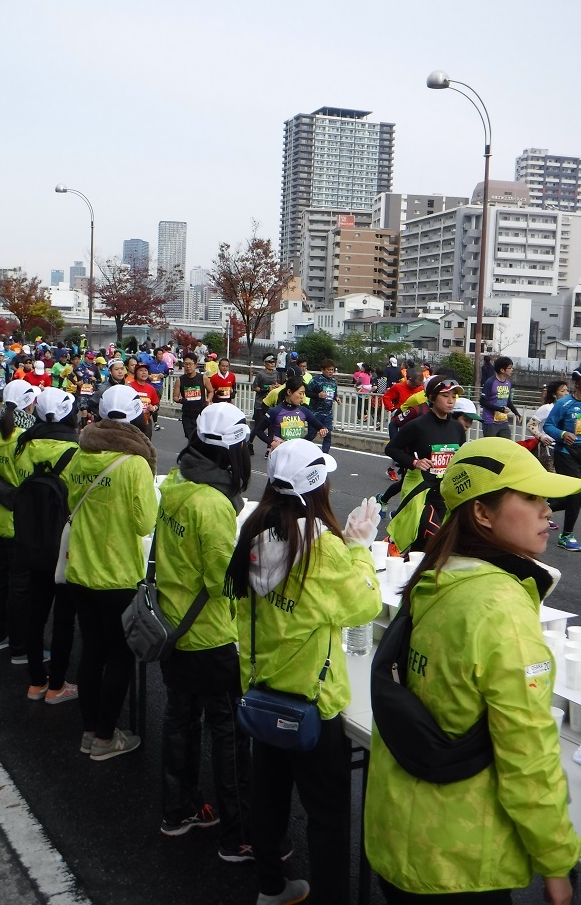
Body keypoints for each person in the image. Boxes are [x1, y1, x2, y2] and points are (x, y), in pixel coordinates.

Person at [365, 437, 581, 904]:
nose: (549, 511)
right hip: (458, 861)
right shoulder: (501, 608)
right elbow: (527, 752)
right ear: (482, 513)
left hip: (396, 833)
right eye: (530, 497)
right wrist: (556, 861)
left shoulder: (437, 575)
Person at [225, 439, 382, 905]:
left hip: (262, 692)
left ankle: (270, 887)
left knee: (270, 799)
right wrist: (359, 549)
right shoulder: (322, 548)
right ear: (319, 487)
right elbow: (365, 604)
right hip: (313, 704)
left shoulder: (254, 532)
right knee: (328, 815)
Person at [156, 403, 253, 862]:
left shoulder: (177, 483)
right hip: (211, 638)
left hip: (173, 629)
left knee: (180, 722)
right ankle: (238, 836)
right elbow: (224, 582)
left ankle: (179, 810)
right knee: (228, 734)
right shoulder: (212, 504)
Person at [62, 386, 156, 760]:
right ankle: (105, 738)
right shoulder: (134, 464)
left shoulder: (80, 456)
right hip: (119, 575)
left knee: (92, 653)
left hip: (80, 570)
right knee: (119, 656)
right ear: (135, 416)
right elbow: (144, 523)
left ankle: (90, 732)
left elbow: (71, 503)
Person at [14, 388, 80, 703]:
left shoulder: (23, 445)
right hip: (64, 545)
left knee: (35, 611)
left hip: (29, 540)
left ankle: (35, 681)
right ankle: (57, 686)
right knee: (64, 617)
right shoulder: (77, 452)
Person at [0, 380, 39, 660]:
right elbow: (30, 481)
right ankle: (20, 648)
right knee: (21, 587)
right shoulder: (25, 440)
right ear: (29, 404)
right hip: (21, 523)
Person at [385, 376, 466, 554]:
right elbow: (391, 448)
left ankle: (408, 571)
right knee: (434, 537)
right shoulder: (418, 425)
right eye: (445, 396)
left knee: (425, 545)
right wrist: (414, 462)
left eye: (454, 396)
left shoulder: (457, 428)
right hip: (420, 491)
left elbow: (458, 458)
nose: (451, 400)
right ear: (432, 397)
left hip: (443, 493)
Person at [544, 370, 581, 551]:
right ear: (577, 382)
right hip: (566, 452)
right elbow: (548, 425)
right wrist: (563, 433)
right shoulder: (564, 403)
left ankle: (545, 507)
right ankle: (566, 536)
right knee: (576, 492)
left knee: (576, 498)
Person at [256, 376, 327, 456]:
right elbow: (258, 431)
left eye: (303, 393)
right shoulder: (276, 411)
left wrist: (322, 430)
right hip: (279, 454)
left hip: (296, 454)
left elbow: (320, 427)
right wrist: (272, 443)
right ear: (289, 392)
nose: (302, 397)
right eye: (300, 393)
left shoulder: (304, 411)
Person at [527, 379, 568, 473]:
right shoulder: (546, 408)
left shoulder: (570, 408)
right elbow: (531, 425)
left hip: (564, 448)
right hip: (548, 448)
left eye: (567, 390)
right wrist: (541, 437)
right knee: (550, 475)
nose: (566, 393)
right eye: (562, 391)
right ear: (554, 394)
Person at [173, 353, 213, 440]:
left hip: (201, 414)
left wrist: (208, 400)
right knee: (190, 438)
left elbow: (210, 391)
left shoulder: (203, 378)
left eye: (190, 364)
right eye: (185, 364)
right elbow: (175, 397)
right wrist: (181, 400)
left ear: (195, 365)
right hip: (187, 415)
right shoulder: (180, 380)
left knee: (201, 439)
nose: (188, 366)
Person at [480, 356, 522, 439]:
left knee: (506, 447)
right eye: (509, 368)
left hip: (503, 421)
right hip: (490, 421)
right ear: (502, 370)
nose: (512, 370)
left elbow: (507, 400)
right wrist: (500, 409)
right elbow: (483, 401)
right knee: (492, 450)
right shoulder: (490, 382)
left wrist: (516, 413)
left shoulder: (508, 383)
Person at [306, 358, 341, 454]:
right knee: (311, 435)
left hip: (327, 413)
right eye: (328, 370)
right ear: (322, 369)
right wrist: (318, 395)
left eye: (332, 370)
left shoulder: (333, 382)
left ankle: (325, 455)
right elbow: (307, 393)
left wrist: (336, 398)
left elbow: (334, 394)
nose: (330, 372)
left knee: (327, 435)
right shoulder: (315, 380)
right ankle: (299, 447)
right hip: (315, 412)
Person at [248, 354, 280, 456]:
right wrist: (266, 389)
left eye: (273, 362)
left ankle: (269, 448)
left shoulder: (276, 373)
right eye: (270, 362)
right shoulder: (260, 374)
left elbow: (278, 383)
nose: (272, 364)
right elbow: (254, 387)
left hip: (271, 405)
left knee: (271, 427)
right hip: (260, 404)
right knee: (258, 427)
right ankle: (250, 443)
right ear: (264, 363)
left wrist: (277, 386)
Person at [147, 348, 169, 431]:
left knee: (156, 404)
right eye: (159, 354)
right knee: (148, 403)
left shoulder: (164, 364)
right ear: (155, 355)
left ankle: (155, 422)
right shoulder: (149, 363)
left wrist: (163, 375)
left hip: (159, 387)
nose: (161, 356)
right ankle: (150, 420)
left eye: (162, 354)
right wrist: (148, 376)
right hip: (150, 386)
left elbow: (167, 373)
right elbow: (143, 371)